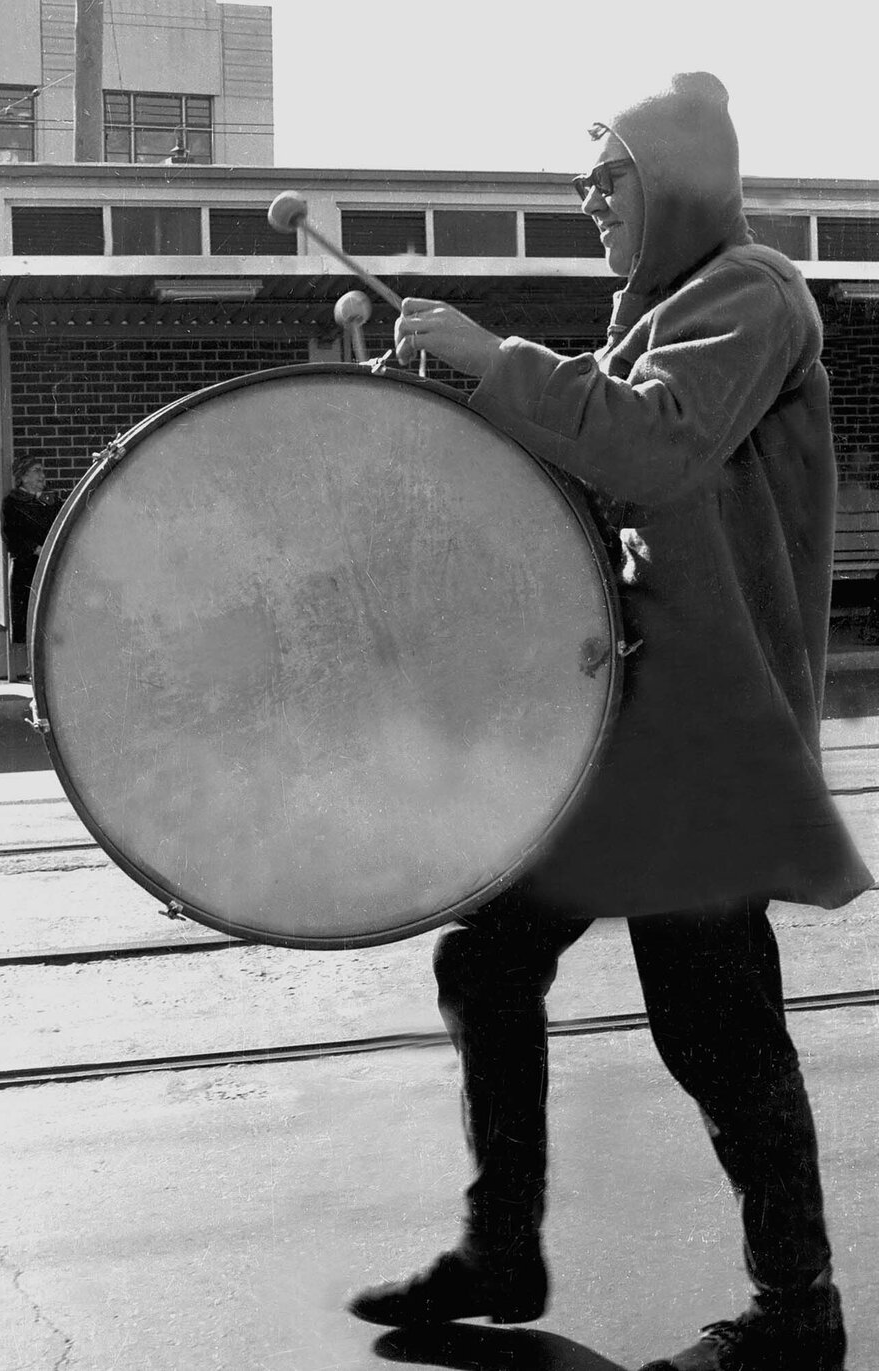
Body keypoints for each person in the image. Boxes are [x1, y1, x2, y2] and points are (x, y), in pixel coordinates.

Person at [347, 73, 870, 1371]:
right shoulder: (652, 318)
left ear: (679, 185)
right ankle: (503, 1245)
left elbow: (651, 444)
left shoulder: (751, 294)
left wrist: (492, 357)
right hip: (627, 723)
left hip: (705, 725)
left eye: (609, 174)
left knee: (715, 1020)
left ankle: (796, 1307)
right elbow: (571, 454)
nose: (586, 197)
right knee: (490, 963)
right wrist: (431, 385)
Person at [0, 456, 60, 676]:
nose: (41, 475)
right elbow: (11, 535)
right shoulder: (12, 502)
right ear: (23, 476)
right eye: (35, 471)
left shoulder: (50, 500)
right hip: (28, 566)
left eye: (42, 470)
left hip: (50, 563)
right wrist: (35, 549)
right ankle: (30, 668)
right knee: (28, 614)